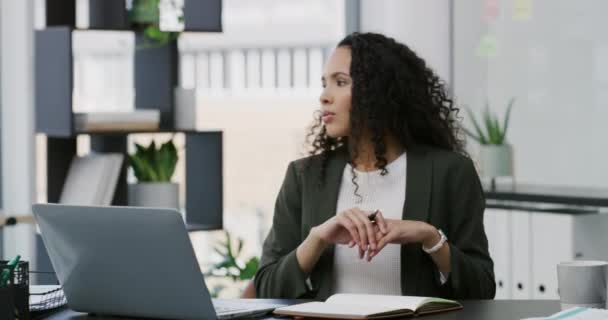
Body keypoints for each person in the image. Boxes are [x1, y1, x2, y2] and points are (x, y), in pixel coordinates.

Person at [253, 32, 495, 300]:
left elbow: (482, 288)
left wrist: (430, 238)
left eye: (340, 82)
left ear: (379, 91)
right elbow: (266, 287)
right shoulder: (304, 176)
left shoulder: (450, 172)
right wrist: (317, 239)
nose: (324, 96)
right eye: (325, 84)